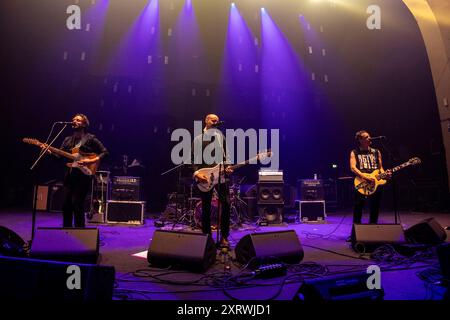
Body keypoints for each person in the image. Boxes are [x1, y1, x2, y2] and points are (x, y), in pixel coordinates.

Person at [48, 114, 108, 228]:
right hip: (69, 176)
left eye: (78, 120)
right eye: (73, 119)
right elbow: (59, 157)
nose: (74, 121)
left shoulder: (90, 138)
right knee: (66, 205)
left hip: (83, 176)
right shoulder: (67, 140)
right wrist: (49, 152)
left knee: (77, 204)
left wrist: (90, 161)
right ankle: (66, 230)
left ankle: (80, 232)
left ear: (84, 124)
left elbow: (104, 152)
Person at [192, 114, 233, 247]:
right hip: (205, 177)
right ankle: (207, 237)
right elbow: (192, 159)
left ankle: (224, 237)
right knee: (206, 207)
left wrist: (228, 167)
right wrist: (197, 173)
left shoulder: (221, 138)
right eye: (212, 119)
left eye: (217, 120)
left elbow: (227, 157)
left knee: (226, 204)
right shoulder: (198, 139)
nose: (215, 121)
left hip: (221, 177)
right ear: (206, 121)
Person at [349, 130, 391, 233]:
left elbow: (380, 168)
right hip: (361, 182)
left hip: (375, 182)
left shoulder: (376, 152)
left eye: (369, 136)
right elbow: (353, 168)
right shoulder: (355, 152)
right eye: (366, 137)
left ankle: (373, 231)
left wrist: (385, 174)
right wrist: (365, 177)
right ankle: (355, 234)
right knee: (358, 208)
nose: (369, 138)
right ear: (360, 140)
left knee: (375, 207)